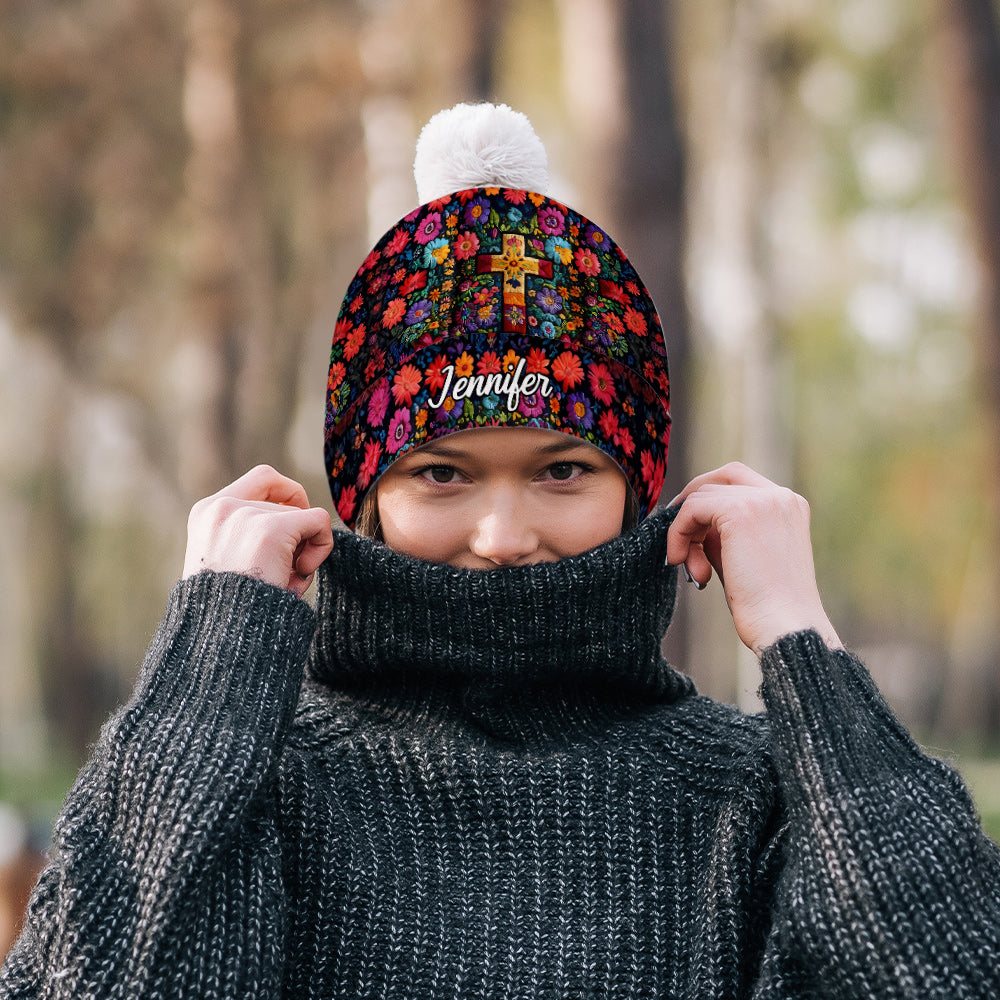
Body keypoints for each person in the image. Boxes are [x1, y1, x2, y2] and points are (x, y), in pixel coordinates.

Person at [2, 102, 998, 1000]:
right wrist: (202, 681)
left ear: (635, 486)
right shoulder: (256, 786)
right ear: (364, 495)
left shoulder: (752, 798)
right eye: (441, 472)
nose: (504, 536)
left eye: (563, 469)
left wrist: (803, 644)